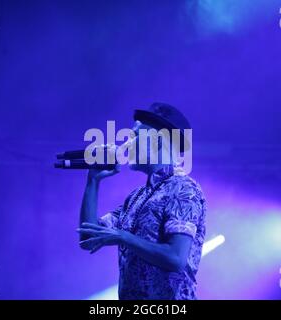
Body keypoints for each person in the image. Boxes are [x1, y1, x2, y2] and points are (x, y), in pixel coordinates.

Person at [77, 102, 206, 300]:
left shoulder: (183, 189)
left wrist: (123, 237)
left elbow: (175, 258)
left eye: (134, 137)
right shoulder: (137, 197)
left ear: (159, 142)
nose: (127, 144)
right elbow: (88, 239)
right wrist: (93, 181)